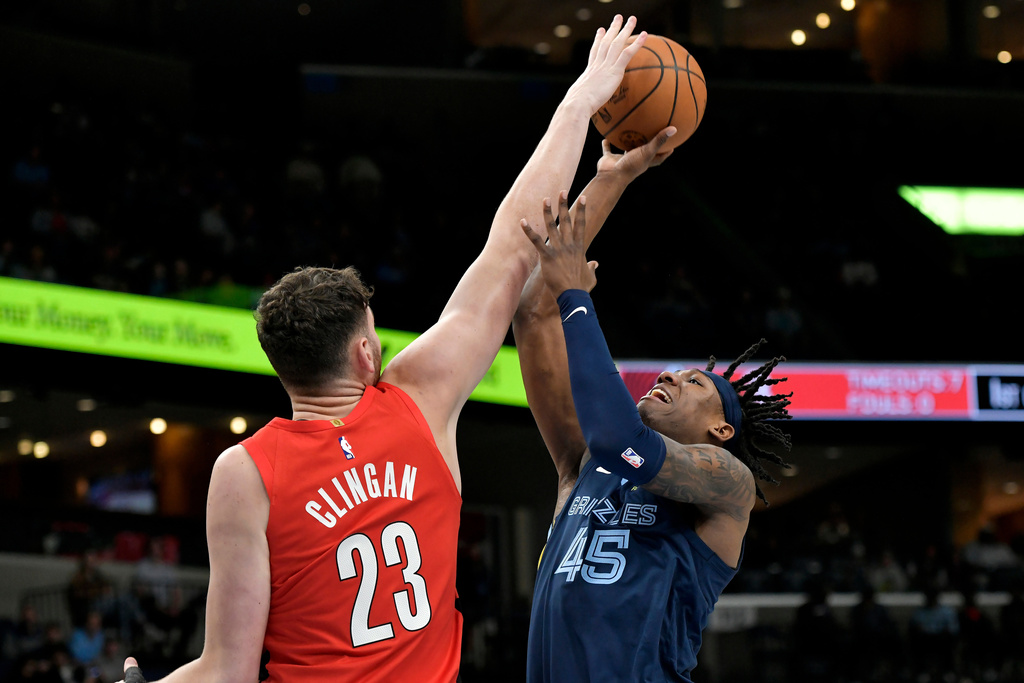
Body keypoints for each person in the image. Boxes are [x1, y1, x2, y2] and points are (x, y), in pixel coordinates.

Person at [118, 14, 650, 683]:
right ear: (366, 354)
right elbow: (516, 243)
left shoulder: (244, 472)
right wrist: (579, 101)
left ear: (284, 366)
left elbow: (225, 669)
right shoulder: (418, 398)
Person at [513, 148, 793, 679]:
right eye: (674, 373)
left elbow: (626, 444)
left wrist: (576, 295)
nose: (669, 376)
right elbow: (533, 313)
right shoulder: (583, 468)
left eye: (694, 383)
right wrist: (613, 178)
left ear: (721, 429)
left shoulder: (726, 483)